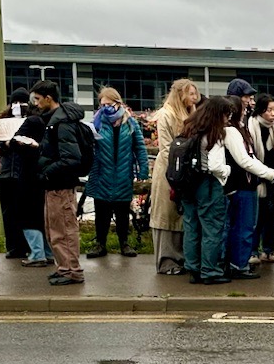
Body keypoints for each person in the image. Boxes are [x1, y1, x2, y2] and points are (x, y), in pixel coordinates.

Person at [32, 81, 89, 286]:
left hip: (60, 185)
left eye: (38, 99)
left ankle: (72, 271)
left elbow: (70, 158)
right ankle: (64, 267)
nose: (36, 104)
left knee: (64, 229)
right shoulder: (55, 121)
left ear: (49, 98)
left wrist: (47, 172)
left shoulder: (62, 123)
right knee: (54, 229)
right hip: (55, 185)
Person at [85, 87, 149, 259]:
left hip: (123, 173)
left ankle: (124, 243)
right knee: (102, 212)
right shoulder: (97, 123)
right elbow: (89, 147)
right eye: (102, 104)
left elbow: (140, 147)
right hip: (102, 173)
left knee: (122, 212)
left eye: (108, 103)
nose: (105, 107)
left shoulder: (130, 123)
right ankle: (100, 244)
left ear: (117, 103)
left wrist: (143, 169)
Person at [179, 96, 233, 285]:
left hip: (187, 183)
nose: (228, 119)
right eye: (227, 114)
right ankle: (210, 271)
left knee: (191, 227)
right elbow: (216, 166)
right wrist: (228, 170)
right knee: (211, 229)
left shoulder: (189, 128)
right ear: (219, 114)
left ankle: (193, 269)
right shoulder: (214, 133)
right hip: (208, 183)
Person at [223, 95, 274, 280]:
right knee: (242, 227)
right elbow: (244, 160)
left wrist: (267, 171)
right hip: (240, 185)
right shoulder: (231, 131)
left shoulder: (241, 128)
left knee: (247, 226)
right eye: (244, 107)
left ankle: (240, 262)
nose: (248, 109)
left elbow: (250, 156)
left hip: (249, 183)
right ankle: (238, 265)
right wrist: (269, 173)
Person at [150, 79, 199, 274]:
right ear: (180, 94)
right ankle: (166, 261)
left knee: (181, 215)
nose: (195, 98)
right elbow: (165, 147)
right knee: (166, 214)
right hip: (169, 172)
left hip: (185, 172)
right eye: (191, 94)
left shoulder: (189, 114)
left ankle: (182, 258)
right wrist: (176, 173)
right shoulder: (166, 114)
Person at [5, 101, 50, 267]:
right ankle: (49, 252)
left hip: (28, 173)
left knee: (26, 214)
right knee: (41, 215)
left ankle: (37, 254)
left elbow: (16, 140)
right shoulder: (47, 122)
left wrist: (9, 143)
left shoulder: (30, 122)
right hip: (43, 173)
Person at [0, 88, 32, 259]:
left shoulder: (31, 121)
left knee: (23, 209)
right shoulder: (3, 121)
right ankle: (13, 245)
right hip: (5, 172)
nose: (17, 106)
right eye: (15, 102)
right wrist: (7, 144)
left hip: (23, 172)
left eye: (21, 102)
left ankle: (27, 245)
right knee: (7, 211)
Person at [248, 93, 274, 264]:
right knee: (257, 217)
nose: (273, 114)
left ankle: (268, 250)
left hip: (273, 178)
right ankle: (253, 251)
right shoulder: (251, 126)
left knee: (272, 215)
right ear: (261, 110)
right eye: (269, 110)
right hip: (256, 178)